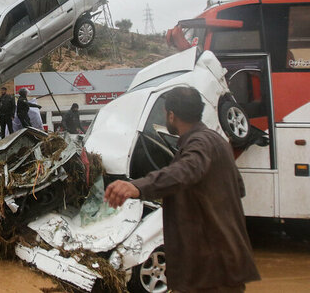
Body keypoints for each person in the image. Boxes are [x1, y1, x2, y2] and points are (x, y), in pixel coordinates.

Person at [104, 87, 260, 292]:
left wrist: (136, 186)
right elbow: (237, 188)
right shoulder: (217, 141)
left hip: (210, 268)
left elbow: (184, 172)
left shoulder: (200, 144)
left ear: (171, 115)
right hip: (220, 262)